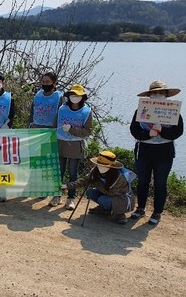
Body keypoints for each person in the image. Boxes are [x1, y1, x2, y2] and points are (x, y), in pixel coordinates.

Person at [130, 80, 183, 225]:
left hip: (164, 153)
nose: (158, 95)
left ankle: (157, 212)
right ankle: (140, 208)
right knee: (143, 182)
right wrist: (149, 134)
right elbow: (134, 130)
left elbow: (178, 132)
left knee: (160, 184)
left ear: (166, 95)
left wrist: (162, 130)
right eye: (155, 93)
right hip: (144, 152)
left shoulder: (173, 112)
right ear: (149, 95)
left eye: (161, 93)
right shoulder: (140, 110)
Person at [50, 84, 93, 210]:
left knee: (73, 173)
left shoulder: (86, 111)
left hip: (75, 145)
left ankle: (71, 198)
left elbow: (88, 131)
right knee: (59, 172)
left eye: (77, 95)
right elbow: (54, 125)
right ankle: (56, 195)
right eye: (72, 95)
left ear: (82, 97)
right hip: (61, 143)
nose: (74, 97)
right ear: (68, 96)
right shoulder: (62, 108)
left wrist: (72, 130)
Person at [64, 151, 134, 224]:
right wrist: (67, 186)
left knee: (103, 199)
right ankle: (105, 209)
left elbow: (111, 193)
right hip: (106, 193)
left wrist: (96, 183)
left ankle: (120, 214)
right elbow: (84, 181)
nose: (100, 167)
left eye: (103, 165)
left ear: (111, 167)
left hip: (122, 198)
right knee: (90, 192)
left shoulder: (120, 177)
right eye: (99, 164)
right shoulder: (95, 170)